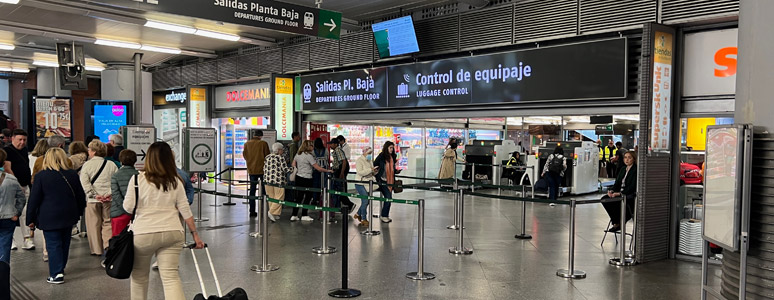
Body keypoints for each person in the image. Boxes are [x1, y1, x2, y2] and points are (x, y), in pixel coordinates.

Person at [123, 142, 204, 300]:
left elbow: (128, 207)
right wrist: (195, 235)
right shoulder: (175, 181)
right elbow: (185, 210)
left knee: (139, 278)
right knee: (171, 278)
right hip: (172, 231)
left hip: (143, 233)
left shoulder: (136, 180)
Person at [26, 148, 86, 284]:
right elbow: (80, 196)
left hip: (49, 216)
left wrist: (30, 218)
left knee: (53, 244)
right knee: (65, 243)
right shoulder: (72, 174)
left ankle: (56, 273)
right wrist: (79, 212)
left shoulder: (41, 176)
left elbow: (34, 199)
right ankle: (60, 267)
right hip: (69, 214)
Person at [79, 140, 119, 259]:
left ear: (94, 151)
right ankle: (107, 245)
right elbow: (114, 181)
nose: (88, 152)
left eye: (89, 150)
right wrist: (108, 194)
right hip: (108, 199)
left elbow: (84, 182)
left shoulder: (87, 165)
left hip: (93, 200)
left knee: (93, 225)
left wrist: (93, 195)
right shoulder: (111, 165)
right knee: (107, 223)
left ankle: (96, 249)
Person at [3, 129, 33, 251]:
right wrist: (16, 184)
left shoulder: (25, 150)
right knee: (11, 212)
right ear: (13, 138)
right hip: (14, 187)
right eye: (19, 139)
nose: (22, 142)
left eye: (24, 140)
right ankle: (12, 239)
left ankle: (26, 238)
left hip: (25, 185)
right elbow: (7, 168)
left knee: (24, 212)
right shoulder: (7, 151)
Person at [291, 140, 333, 221]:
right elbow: (318, 168)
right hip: (307, 178)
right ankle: (304, 214)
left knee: (298, 197)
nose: (313, 147)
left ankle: (294, 214)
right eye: (311, 146)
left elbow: (293, 164)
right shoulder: (309, 156)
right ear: (308, 147)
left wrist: (300, 168)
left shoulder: (298, 154)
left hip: (299, 177)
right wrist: (328, 171)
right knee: (308, 197)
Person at [0, 149, 26, 265]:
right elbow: (21, 198)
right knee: (5, 247)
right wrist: (17, 213)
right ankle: (3, 272)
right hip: (8, 216)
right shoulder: (11, 180)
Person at [601, 151, 638, 233]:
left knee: (616, 202)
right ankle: (617, 221)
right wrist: (612, 191)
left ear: (634, 159)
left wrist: (620, 193)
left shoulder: (635, 170)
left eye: (629, 157)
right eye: (625, 157)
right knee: (604, 199)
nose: (627, 160)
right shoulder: (622, 169)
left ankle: (620, 220)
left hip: (628, 195)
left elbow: (632, 186)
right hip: (618, 192)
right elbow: (617, 183)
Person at [110, 149, 139, 236]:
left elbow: (115, 194)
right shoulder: (139, 175)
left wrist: (125, 208)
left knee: (119, 242)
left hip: (119, 213)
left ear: (121, 160)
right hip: (136, 213)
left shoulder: (115, 175)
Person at [242, 130, 270, 218]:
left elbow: (245, 155)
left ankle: (252, 211)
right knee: (264, 191)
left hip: (251, 170)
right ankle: (263, 209)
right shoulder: (263, 144)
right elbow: (267, 156)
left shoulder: (247, 144)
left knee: (252, 190)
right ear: (261, 136)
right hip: (262, 170)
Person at [374, 141, 399, 223]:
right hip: (382, 180)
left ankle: (385, 215)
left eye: (392, 148)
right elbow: (375, 164)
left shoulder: (392, 157)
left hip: (390, 181)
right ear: (386, 148)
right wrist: (377, 172)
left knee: (388, 198)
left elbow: (392, 168)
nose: (392, 149)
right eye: (390, 148)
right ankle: (384, 215)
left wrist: (396, 171)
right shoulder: (381, 156)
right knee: (388, 198)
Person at [264, 143, 290, 221]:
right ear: (279, 150)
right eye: (282, 149)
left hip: (267, 180)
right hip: (278, 181)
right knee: (279, 197)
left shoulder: (267, 157)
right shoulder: (280, 157)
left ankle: (275, 214)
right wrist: (293, 169)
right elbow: (285, 169)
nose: (282, 151)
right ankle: (271, 212)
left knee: (271, 197)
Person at [329, 138, 354, 212]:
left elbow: (343, 161)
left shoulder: (338, 150)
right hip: (338, 170)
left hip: (339, 171)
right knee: (338, 189)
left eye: (331, 144)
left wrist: (342, 173)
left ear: (335, 144)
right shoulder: (336, 150)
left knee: (339, 189)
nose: (330, 145)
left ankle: (349, 204)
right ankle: (340, 204)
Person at [354, 147, 376, 227]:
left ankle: (358, 214)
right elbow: (360, 172)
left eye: (370, 153)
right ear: (364, 153)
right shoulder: (359, 160)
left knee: (367, 201)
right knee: (365, 200)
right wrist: (370, 170)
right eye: (369, 153)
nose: (370, 155)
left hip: (368, 183)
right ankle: (364, 218)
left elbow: (371, 171)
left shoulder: (370, 161)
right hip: (360, 183)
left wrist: (374, 171)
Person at [311, 138, 328, 207]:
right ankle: (323, 199)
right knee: (323, 184)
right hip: (324, 169)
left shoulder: (313, 151)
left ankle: (315, 199)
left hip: (315, 169)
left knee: (315, 184)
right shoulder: (325, 150)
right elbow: (327, 158)